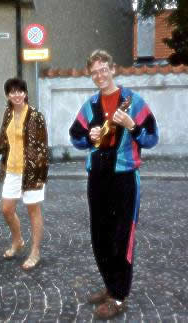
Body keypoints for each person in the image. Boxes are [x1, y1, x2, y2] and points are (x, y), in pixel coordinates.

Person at [69, 50, 159, 319]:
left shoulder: (133, 101)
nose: (99, 75)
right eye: (94, 72)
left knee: (121, 237)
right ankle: (110, 285)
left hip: (124, 179)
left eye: (103, 69)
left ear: (113, 69)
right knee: (100, 237)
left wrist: (132, 126)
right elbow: (75, 136)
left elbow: (152, 138)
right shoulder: (91, 104)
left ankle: (119, 297)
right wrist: (89, 134)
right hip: (98, 178)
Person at [0, 77, 49, 270]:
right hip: (12, 169)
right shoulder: (8, 113)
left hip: (31, 172)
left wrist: (38, 175)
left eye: (20, 91)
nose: (16, 95)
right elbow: (3, 139)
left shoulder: (35, 116)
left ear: (25, 93)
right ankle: (18, 241)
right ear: (7, 95)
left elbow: (42, 148)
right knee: (6, 209)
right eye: (12, 92)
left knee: (33, 210)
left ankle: (35, 252)